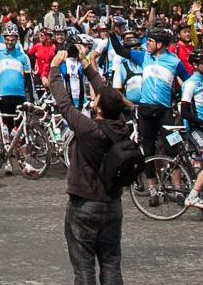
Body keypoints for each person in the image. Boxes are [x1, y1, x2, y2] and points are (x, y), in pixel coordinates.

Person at [55, 70, 131, 285]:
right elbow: (110, 98)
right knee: (111, 264)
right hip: (113, 203)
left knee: (84, 266)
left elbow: (64, 105)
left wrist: (53, 70)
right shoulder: (122, 127)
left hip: (85, 204)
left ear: (98, 108)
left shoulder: (89, 129)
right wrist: (88, 68)